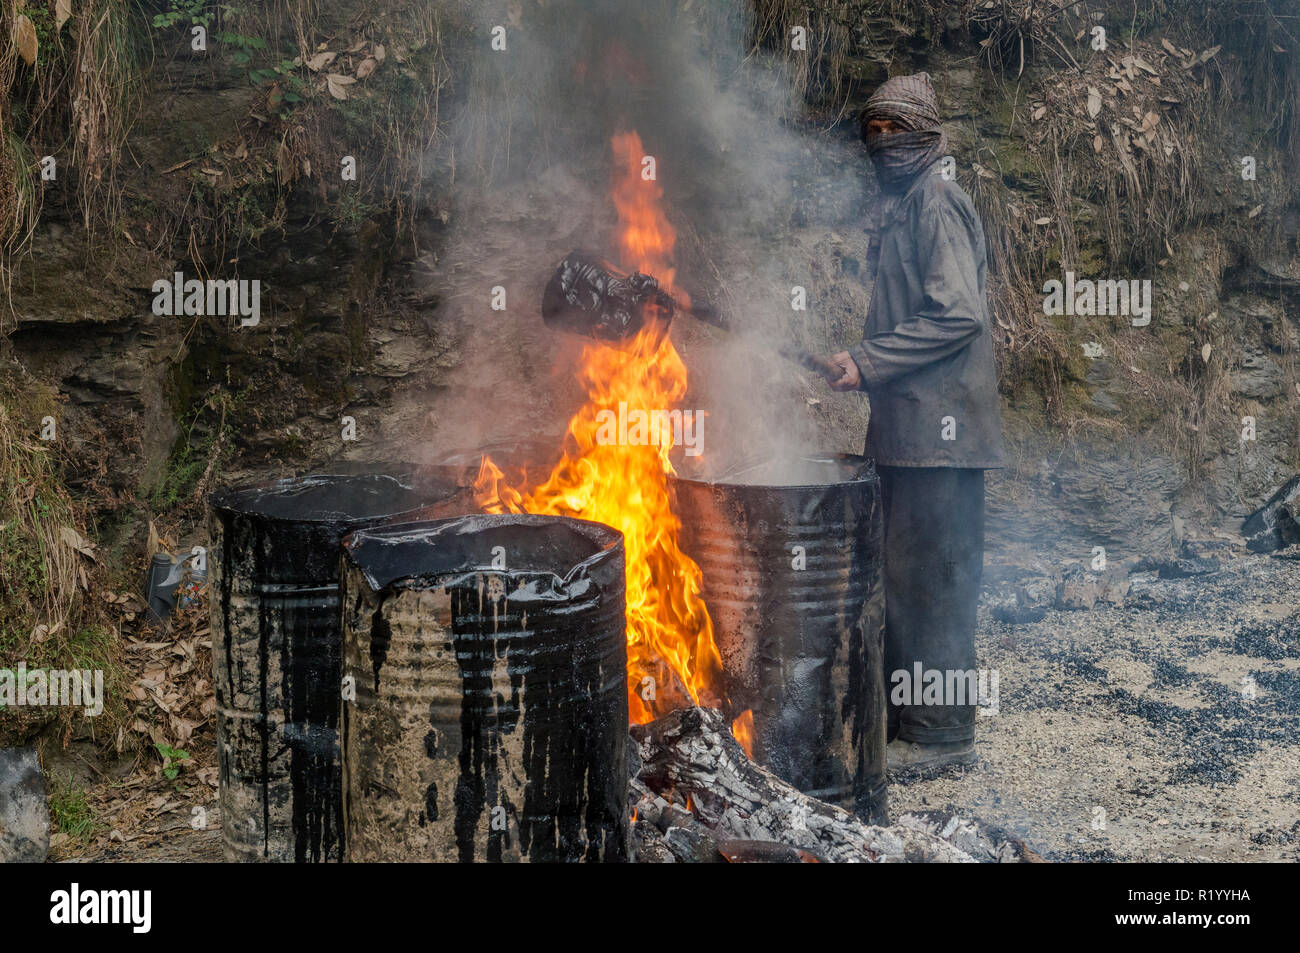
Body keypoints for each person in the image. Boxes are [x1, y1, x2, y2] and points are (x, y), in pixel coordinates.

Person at [824, 72, 1006, 774]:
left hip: (943, 439)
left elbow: (959, 314)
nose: (881, 144)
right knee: (903, 577)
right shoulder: (904, 207)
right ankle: (910, 720)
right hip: (910, 437)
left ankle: (942, 737)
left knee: (935, 581)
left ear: (923, 135)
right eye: (871, 133)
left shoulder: (938, 201)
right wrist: (863, 365)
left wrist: (867, 361)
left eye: (892, 131)